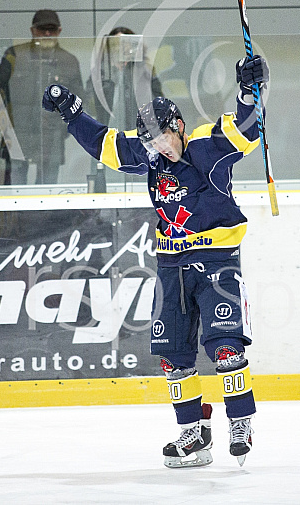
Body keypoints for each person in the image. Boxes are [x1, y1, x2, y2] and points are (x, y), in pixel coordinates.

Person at [42, 54, 269, 468]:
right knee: (173, 356)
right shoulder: (149, 153)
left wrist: (250, 89)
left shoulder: (207, 146)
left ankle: (241, 422)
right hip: (171, 266)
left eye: (161, 139)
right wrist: (71, 110)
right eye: (149, 143)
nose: (156, 149)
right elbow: (105, 145)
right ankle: (193, 435)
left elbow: (247, 129)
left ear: (177, 127)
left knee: (226, 349)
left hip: (217, 262)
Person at [0, 9, 84, 184]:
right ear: (33, 30)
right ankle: (16, 213)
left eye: (51, 29)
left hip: (52, 135)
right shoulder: (15, 55)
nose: (47, 33)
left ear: (59, 31)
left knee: (48, 190)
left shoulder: (68, 61)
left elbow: (78, 100)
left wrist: (63, 129)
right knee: (15, 188)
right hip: (18, 134)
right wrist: (5, 126)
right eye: (43, 29)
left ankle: (44, 214)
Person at [86, 26, 163, 128]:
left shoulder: (144, 69)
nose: (121, 47)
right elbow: (91, 107)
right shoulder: (101, 72)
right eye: (116, 43)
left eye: (125, 43)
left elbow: (158, 103)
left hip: (139, 130)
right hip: (108, 131)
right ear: (109, 48)